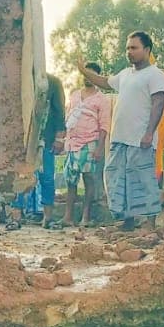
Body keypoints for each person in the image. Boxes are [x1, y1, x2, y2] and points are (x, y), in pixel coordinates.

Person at [79, 33, 164, 230]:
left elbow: (158, 103)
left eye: (134, 48)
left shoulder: (155, 75)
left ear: (147, 50)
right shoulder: (125, 74)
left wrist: (148, 133)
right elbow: (104, 81)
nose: (130, 52)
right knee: (117, 177)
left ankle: (149, 224)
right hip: (120, 138)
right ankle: (127, 221)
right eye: (128, 48)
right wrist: (84, 71)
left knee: (143, 180)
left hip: (140, 139)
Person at [62, 62, 111, 226]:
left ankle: (85, 217)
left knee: (89, 179)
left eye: (91, 75)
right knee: (71, 180)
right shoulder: (75, 95)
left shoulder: (101, 99)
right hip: (73, 142)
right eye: (86, 74)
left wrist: (99, 148)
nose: (88, 78)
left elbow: (104, 125)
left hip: (90, 141)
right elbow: (69, 116)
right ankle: (68, 217)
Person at [36, 72, 65, 228]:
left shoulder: (53, 82)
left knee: (47, 176)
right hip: (23, 139)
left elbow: (60, 112)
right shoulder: (20, 77)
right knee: (19, 175)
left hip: (45, 137)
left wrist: (59, 138)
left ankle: (48, 216)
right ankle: (16, 215)